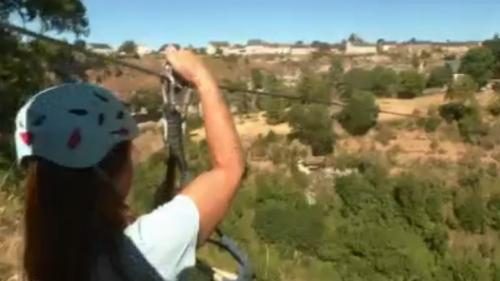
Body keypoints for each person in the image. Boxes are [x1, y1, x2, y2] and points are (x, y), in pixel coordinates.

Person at [15, 48, 244, 281]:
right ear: (113, 170)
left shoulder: (43, 250)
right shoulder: (141, 250)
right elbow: (229, 169)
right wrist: (201, 77)